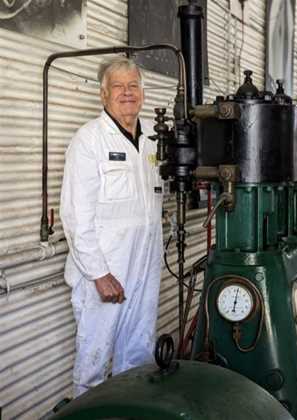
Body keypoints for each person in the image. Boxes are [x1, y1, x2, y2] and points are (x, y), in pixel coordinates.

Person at [60, 57, 164, 397]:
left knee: (137, 353)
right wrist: (98, 273)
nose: (127, 93)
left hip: (144, 266)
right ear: (104, 95)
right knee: (94, 358)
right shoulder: (89, 140)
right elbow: (77, 216)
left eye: (133, 85)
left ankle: (131, 411)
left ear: (143, 94)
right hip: (105, 268)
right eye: (118, 87)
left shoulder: (153, 137)